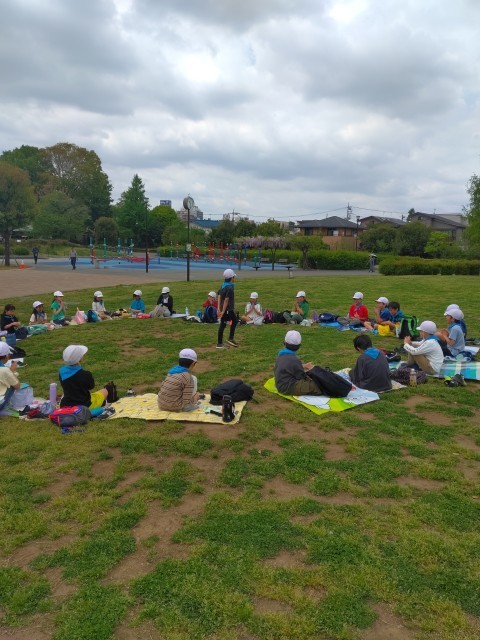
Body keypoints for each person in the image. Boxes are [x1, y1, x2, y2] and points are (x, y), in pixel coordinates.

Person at [274, 330, 325, 395]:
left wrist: (302, 366)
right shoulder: (294, 359)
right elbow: (301, 376)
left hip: (280, 383)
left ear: (284, 343)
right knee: (319, 385)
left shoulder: (281, 355)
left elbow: (288, 366)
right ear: (299, 346)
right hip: (288, 387)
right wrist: (312, 373)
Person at [59, 345, 108, 409]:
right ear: (80, 359)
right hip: (84, 406)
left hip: (66, 405)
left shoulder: (62, 372)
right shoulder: (85, 374)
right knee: (105, 391)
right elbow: (91, 386)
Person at [217, 269, 238, 348]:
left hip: (227, 309)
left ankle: (230, 338)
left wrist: (218, 308)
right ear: (231, 278)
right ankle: (220, 343)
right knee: (223, 325)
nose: (234, 278)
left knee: (234, 321)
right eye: (234, 277)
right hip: (227, 309)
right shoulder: (229, 288)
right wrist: (222, 311)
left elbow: (219, 296)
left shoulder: (223, 285)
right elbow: (226, 299)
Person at [0, 342, 21, 413]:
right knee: (12, 385)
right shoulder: (5, 370)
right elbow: (17, 386)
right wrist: (13, 371)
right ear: (6, 356)